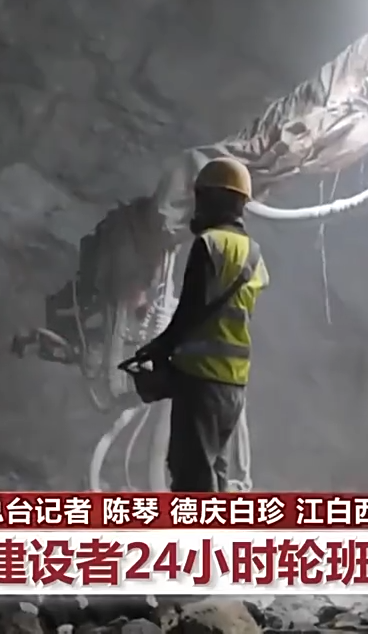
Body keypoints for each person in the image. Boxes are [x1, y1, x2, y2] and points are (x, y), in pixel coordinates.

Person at [134, 157, 269, 492]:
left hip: (201, 381)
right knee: (215, 472)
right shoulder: (253, 254)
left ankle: (195, 529)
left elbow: (192, 309)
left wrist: (159, 347)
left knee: (191, 475)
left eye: (202, 198)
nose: (198, 207)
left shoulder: (210, 244)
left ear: (216, 198)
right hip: (233, 385)